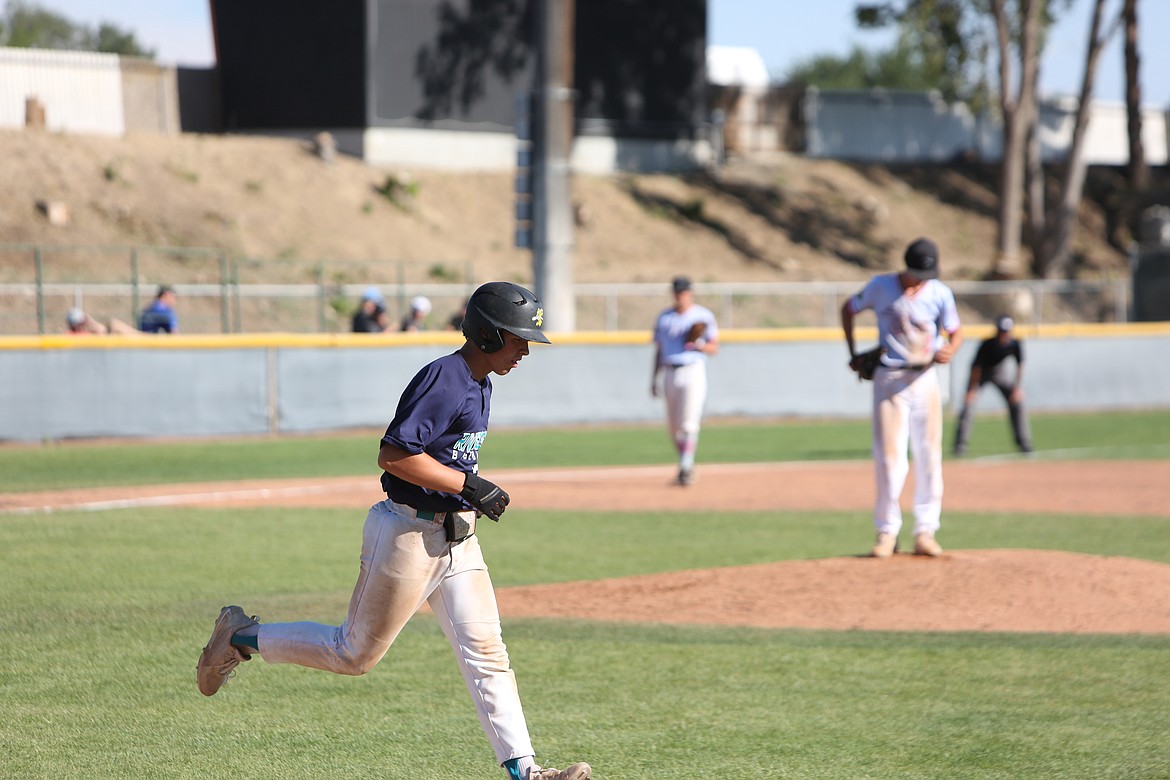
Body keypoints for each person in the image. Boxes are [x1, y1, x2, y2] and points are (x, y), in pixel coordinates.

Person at [196, 281, 592, 780]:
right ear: (488, 336)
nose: (524, 351)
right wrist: (468, 485)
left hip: (457, 539)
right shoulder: (445, 377)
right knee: (352, 654)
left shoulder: (481, 381)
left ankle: (527, 772)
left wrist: (465, 496)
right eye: (517, 339)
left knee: (488, 654)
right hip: (408, 536)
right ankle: (241, 636)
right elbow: (395, 454)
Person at [840, 237, 963, 558]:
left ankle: (926, 530)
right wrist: (852, 353)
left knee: (929, 455)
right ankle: (886, 531)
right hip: (890, 379)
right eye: (918, 274)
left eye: (927, 274)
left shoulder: (939, 292)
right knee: (890, 459)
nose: (922, 280)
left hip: (925, 378)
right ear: (905, 267)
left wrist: (952, 348)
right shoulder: (881, 287)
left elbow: (955, 330)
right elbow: (848, 308)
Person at [651, 276, 719, 486]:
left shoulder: (703, 315)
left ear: (690, 293)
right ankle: (685, 464)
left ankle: (686, 467)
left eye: (683, 292)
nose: (680, 295)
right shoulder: (664, 317)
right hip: (670, 371)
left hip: (693, 370)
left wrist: (698, 344)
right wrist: (653, 378)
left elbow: (714, 348)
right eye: (677, 292)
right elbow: (659, 350)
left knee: (689, 423)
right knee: (673, 428)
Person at [953, 314, 1033, 455]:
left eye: (1006, 331)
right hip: (981, 374)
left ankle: (1024, 443)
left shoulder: (1015, 343)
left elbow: (1020, 365)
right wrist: (971, 390)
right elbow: (976, 367)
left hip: (1000, 372)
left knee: (1017, 403)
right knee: (968, 404)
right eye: (1002, 331)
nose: (1004, 334)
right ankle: (960, 445)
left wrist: (1016, 389)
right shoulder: (987, 344)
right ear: (997, 331)